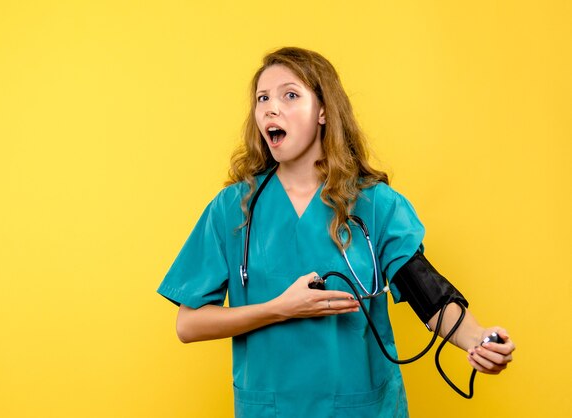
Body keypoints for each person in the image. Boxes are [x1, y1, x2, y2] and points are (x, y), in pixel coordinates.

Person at [157, 47, 515, 417]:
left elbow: (426, 291)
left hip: (361, 408)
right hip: (271, 409)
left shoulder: (375, 203)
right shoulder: (234, 207)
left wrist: (478, 340)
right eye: (262, 98)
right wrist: (279, 309)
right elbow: (189, 323)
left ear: (324, 111)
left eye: (290, 95)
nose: (270, 108)